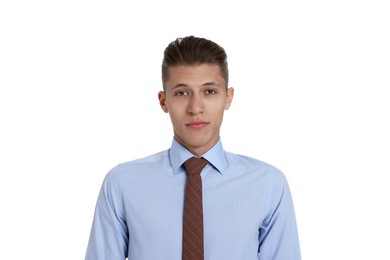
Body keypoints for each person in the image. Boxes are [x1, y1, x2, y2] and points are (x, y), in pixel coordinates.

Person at [85, 36, 301, 260]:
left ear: (228, 98)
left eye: (209, 91)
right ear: (163, 101)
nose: (195, 108)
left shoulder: (268, 185)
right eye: (181, 93)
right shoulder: (122, 184)